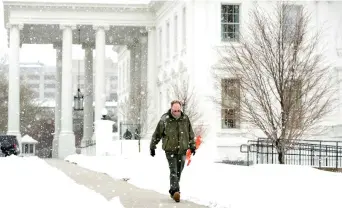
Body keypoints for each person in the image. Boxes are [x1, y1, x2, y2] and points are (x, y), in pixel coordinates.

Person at [150, 100, 196, 203]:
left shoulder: (185, 118)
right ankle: (176, 191)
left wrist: (192, 146)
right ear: (171, 109)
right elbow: (157, 134)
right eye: (174, 111)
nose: (176, 113)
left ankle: (172, 190)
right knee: (174, 171)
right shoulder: (165, 119)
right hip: (170, 150)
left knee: (179, 171)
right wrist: (152, 146)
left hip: (183, 149)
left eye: (178, 110)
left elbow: (190, 133)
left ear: (181, 109)